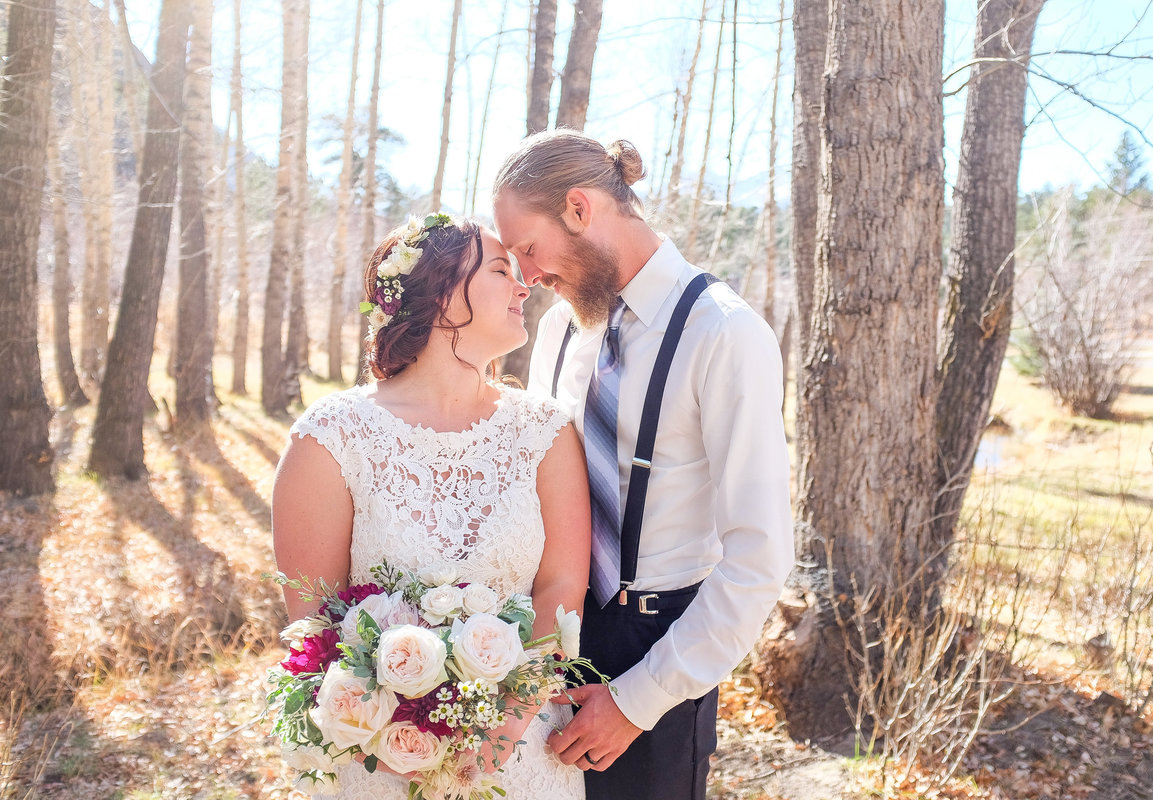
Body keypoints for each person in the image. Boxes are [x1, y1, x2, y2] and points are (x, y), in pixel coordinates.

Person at [492, 130, 793, 799]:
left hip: (661, 648)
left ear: (579, 208)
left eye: (528, 251)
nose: (528, 277)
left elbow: (760, 557)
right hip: (549, 639)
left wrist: (637, 700)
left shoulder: (724, 333)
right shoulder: (558, 330)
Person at [271, 215, 591, 799]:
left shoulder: (544, 431)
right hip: (383, 761)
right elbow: (314, 620)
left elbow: (562, 586)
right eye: (501, 271)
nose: (525, 287)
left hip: (520, 755)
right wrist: (394, 733)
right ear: (441, 294)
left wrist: (505, 727)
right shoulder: (332, 436)